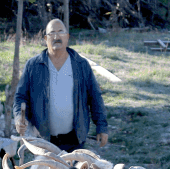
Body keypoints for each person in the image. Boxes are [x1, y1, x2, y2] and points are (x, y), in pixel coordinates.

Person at [13, 19, 109, 152]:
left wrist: (101, 127)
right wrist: (19, 117)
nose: (56, 37)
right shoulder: (33, 66)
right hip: (44, 140)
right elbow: (21, 97)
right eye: (52, 33)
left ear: (67, 37)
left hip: (75, 139)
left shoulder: (81, 65)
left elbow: (95, 97)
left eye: (60, 32)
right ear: (46, 39)